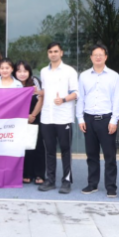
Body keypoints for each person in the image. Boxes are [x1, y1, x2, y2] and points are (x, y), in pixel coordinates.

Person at [77, 44, 119, 199]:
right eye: (95, 55)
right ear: (91, 57)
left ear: (105, 57)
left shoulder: (114, 76)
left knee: (110, 155)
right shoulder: (84, 76)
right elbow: (81, 98)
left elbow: (117, 99)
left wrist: (114, 120)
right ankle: (92, 184)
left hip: (106, 120)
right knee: (91, 155)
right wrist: (80, 118)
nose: (98, 57)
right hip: (89, 119)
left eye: (101, 54)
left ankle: (111, 187)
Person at [35, 42, 79, 195]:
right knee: (50, 151)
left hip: (63, 117)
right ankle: (50, 180)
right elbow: (46, 91)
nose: (53, 54)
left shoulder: (69, 71)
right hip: (47, 116)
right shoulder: (43, 71)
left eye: (55, 51)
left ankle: (66, 181)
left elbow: (76, 93)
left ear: (61, 53)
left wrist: (64, 100)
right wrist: (38, 92)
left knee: (66, 150)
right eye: (50, 52)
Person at [15, 61, 46, 186]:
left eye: (25, 71)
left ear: (29, 72)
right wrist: (24, 116)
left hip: (35, 117)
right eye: (19, 71)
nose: (22, 74)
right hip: (19, 118)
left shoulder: (34, 81)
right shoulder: (14, 84)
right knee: (24, 146)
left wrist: (33, 115)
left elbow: (41, 99)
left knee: (38, 145)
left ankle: (39, 174)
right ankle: (26, 173)